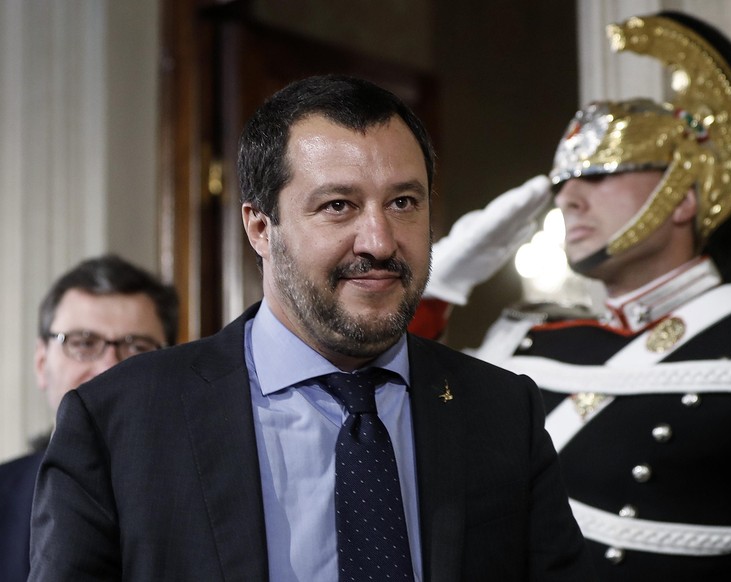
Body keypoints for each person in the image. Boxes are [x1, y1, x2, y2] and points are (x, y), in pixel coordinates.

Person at [28, 74, 593, 581]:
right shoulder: (118, 421)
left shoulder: (501, 410)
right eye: (338, 206)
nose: (379, 241)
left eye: (402, 202)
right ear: (260, 227)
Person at [429, 11, 731, 581]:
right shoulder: (529, 338)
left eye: (601, 173)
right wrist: (435, 287)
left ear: (682, 197)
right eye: (565, 183)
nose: (569, 200)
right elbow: (416, 430)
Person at [0, 254, 178, 582]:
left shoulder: (207, 497)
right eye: (83, 343)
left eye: (137, 347)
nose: (108, 368)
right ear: (42, 364)